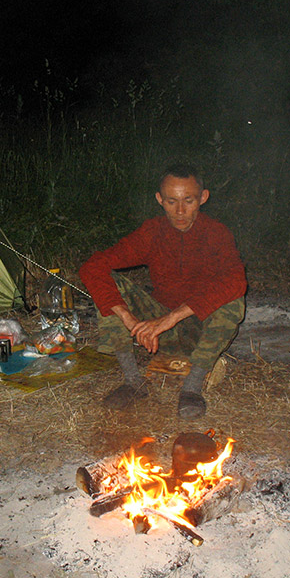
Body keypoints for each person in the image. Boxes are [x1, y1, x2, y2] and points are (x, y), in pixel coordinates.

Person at [78, 164, 246, 418]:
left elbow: (236, 280)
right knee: (109, 285)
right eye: (171, 201)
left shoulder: (216, 234)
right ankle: (133, 381)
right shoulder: (152, 232)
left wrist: (169, 319)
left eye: (188, 201)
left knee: (233, 299)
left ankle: (192, 386)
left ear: (203, 197)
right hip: (157, 335)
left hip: (199, 331)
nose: (179, 211)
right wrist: (130, 320)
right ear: (159, 200)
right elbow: (93, 267)